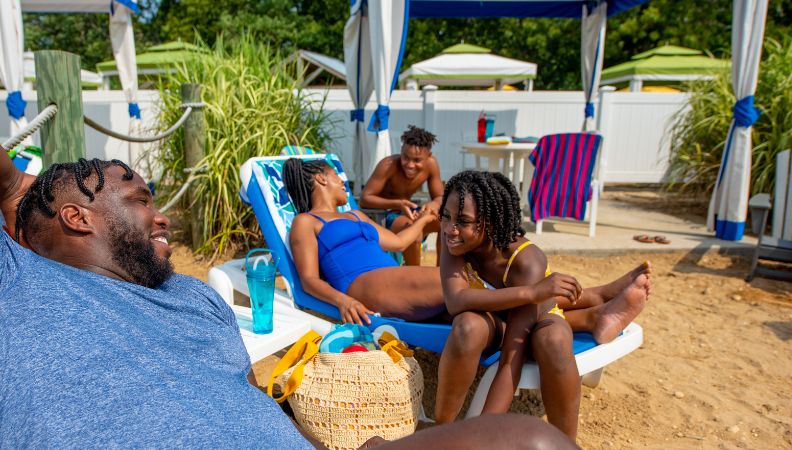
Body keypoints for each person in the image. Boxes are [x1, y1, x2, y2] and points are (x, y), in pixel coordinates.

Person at [0, 150, 581, 449]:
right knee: (476, 310)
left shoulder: (196, 301)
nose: (163, 214)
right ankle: (574, 310)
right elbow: (12, 187)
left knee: (534, 441)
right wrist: (14, 194)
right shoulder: (19, 283)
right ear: (76, 217)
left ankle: (573, 312)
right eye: (141, 197)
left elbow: (246, 404)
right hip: (370, 291)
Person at [435, 170, 650, 439]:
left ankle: (565, 443)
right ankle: (440, 431)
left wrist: (484, 435)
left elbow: (510, 360)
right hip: (504, 312)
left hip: (536, 315)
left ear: (488, 224)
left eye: (463, 221)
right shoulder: (452, 239)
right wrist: (530, 293)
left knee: (554, 340)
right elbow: (456, 301)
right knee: (466, 326)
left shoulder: (527, 260)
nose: (449, 228)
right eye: (446, 216)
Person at [283, 157, 446, 325]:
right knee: (453, 280)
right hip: (365, 284)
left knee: (466, 312)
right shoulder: (306, 221)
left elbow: (399, 242)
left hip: (393, 279)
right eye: (336, 175)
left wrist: (424, 219)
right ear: (321, 178)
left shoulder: (356, 215)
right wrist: (343, 301)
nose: (342, 182)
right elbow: (309, 280)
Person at [359, 125, 444, 266]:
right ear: (401, 151)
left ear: (428, 157)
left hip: (409, 212)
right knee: (413, 232)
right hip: (385, 215)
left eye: (417, 160)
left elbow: (440, 197)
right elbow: (365, 199)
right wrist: (398, 203)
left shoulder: (432, 165)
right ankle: (413, 279)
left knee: (447, 223)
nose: (410, 165)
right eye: (406, 157)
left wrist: (433, 204)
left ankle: (441, 275)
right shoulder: (388, 165)